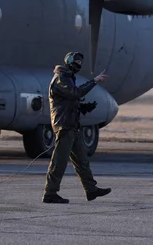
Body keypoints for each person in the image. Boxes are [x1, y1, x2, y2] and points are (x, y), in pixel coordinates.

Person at [42, 51, 112, 204]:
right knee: (59, 162)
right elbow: (74, 93)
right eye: (76, 62)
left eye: (80, 63)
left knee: (82, 160)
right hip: (64, 126)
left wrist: (82, 107)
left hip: (72, 125)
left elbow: (70, 100)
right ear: (68, 62)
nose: (78, 65)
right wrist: (94, 81)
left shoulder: (68, 78)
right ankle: (50, 193)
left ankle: (91, 190)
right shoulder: (61, 78)